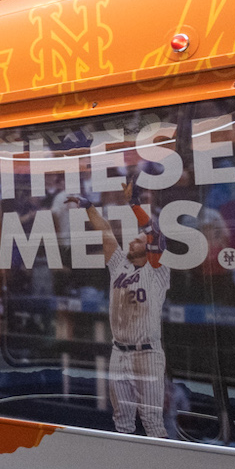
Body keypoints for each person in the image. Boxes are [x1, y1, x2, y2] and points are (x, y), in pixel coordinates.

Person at [70, 184, 172, 439]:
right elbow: (104, 230)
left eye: (138, 239)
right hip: (119, 351)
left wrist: (134, 204)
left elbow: (155, 233)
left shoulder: (157, 270)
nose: (132, 240)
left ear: (147, 247)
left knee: (152, 422)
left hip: (147, 353)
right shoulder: (119, 266)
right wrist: (89, 207)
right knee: (122, 422)